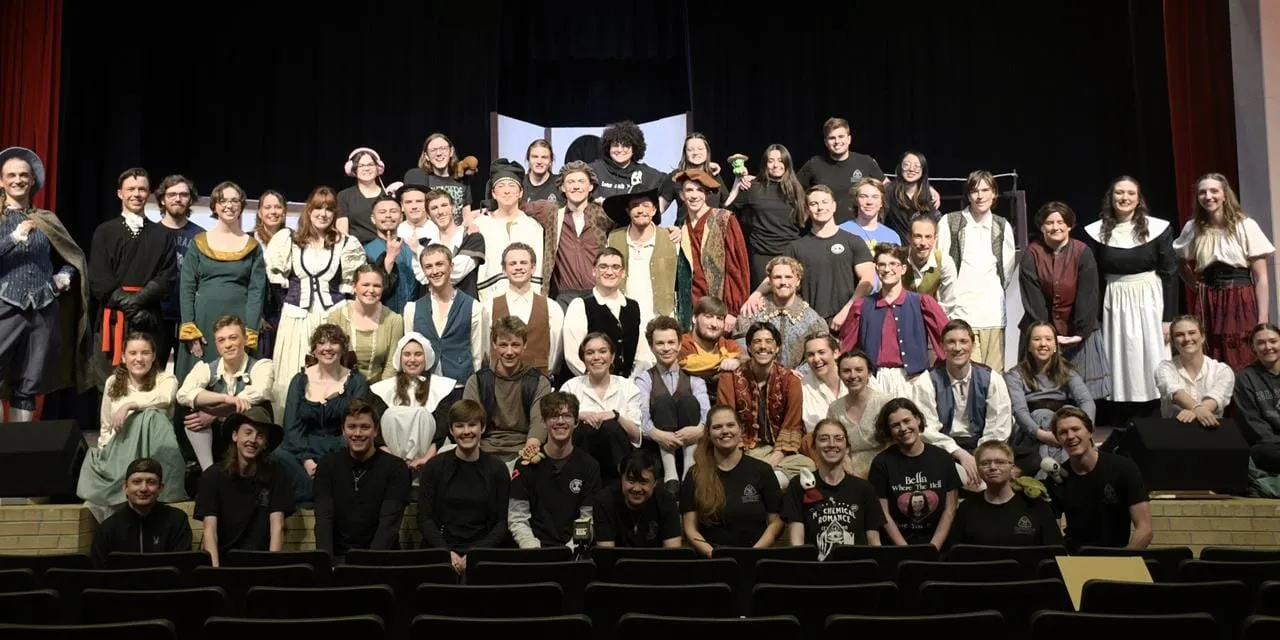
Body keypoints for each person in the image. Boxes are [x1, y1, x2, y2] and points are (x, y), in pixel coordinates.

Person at [0, 146, 90, 420]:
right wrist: (13, 238)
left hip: (43, 309)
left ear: (32, 180)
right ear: (1, 181)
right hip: (4, 307)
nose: (18, 180)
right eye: (11, 175)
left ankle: (18, 446)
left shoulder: (45, 219)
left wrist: (65, 276)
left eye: (23, 175)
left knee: (29, 383)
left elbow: (72, 257)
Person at [77, 332, 187, 523]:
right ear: (123, 357)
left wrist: (130, 405)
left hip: (155, 451)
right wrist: (105, 450)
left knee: (149, 416)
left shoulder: (166, 379)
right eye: (133, 353)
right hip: (119, 449)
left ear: (153, 356)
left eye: (145, 353)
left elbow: (164, 399)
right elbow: (106, 425)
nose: (139, 358)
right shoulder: (113, 383)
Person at [88, 168, 178, 389]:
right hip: (112, 319)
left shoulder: (163, 234)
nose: (136, 194)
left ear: (149, 193)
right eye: (131, 189)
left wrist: (137, 303)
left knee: (148, 385)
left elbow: (167, 277)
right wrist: (128, 306)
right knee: (109, 386)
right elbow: (98, 278)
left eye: (142, 189)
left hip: (148, 319)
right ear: (120, 193)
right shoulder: (104, 231)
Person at [417, 400, 511, 575]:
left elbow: (501, 523)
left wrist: (476, 554)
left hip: (484, 554)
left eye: (472, 425)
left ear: (482, 428)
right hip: (441, 552)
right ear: (451, 430)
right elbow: (425, 519)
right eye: (459, 426)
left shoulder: (497, 469)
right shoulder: (434, 467)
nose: (466, 431)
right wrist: (446, 553)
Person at [313, 400, 412, 560]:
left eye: (365, 427)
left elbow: (389, 524)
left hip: (382, 559)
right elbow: (323, 519)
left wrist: (367, 565)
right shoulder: (327, 465)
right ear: (343, 430)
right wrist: (326, 564)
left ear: (375, 430)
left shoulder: (396, 468)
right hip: (338, 558)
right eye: (352, 427)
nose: (358, 433)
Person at [175, 314, 276, 470]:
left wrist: (215, 413)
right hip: (216, 438)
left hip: (247, 439)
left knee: (259, 406)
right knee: (186, 407)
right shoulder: (206, 368)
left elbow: (259, 392)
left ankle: (249, 468)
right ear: (216, 344)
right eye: (221, 340)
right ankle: (207, 470)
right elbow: (183, 395)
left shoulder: (262, 366)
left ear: (245, 339)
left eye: (233, 338)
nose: (227, 345)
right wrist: (225, 398)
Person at [680, 405, 784, 557]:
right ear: (708, 433)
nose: (725, 431)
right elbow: (690, 529)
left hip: (755, 559)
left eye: (730, 425)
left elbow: (776, 522)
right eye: (717, 427)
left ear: (740, 429)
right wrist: (713, 555)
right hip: (711, 561)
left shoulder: (762, 471)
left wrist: (752, 554)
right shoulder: (694, 475)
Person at [193, 414, 293, 567]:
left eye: (260, 435)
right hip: (224, 563)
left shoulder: (276, 473)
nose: (253, 440)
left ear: (265, 443)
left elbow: (277, 525)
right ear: (235, 436)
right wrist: (215, 572)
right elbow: (209, 530)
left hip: (261, 564)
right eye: (248, 432)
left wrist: (272, 569)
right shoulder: (212, 476)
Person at [1049, 406, 1152, 550]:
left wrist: (1125, 559)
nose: (1070, 436)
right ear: (1057, 439)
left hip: (1118, 556)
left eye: (1075, 429)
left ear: (1090, 431)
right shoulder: (1056, 478)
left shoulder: (1123, 468)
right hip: (1076, 558)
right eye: (1063, 432)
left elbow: (1145, 530)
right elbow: (1052, 535)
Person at [508, 392, 602, 550]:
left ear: (576, 422)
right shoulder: (524, 465)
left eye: (567, 416)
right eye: (553, 416)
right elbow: (517, 518)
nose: (560, 421)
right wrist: (532, 549)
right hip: (533, 551)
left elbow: (588, 519)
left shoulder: (590, 466)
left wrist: (569, 550)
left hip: (573, 553)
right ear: (544, 422)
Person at [783, 419, 883, 560]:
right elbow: (796, 541)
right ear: (813, 448)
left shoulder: (864, 488)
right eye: (824, 439)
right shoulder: (798, 485)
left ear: (847, 448)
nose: (831, 444)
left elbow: (874, 541)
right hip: (814, 569)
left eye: (838, 439)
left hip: (856, 568)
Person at [869, 398, 961, 549]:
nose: (903, 428)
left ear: (917, 420)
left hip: (938, 544)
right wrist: (906, 550)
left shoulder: (943, 458)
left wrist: (933, 548)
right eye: (895, 425)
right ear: (889, 430)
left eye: (907, 421)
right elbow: (883, 513)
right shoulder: (881, 463)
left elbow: (950, 510)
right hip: (898, 547)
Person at [947, 441, 1063, 547]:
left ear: (1012, 467)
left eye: (1000, 462)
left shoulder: (1036, 505)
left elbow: (1056, 550)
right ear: (978, 469)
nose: (993, 467)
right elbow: (954, 552)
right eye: (985, 463)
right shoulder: (967, 508)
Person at [89, 457, 193, 568]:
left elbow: (182, 567)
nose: (143, 488)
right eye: (136, 482)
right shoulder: (108, 528)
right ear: (125, 488)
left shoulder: (177, 520)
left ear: (160, 488)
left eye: (151, 482)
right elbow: (99, 571)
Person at [593, 449, 683, 548]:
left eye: (643, 482)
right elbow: (606, 554)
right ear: (621, 478)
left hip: (657, 558)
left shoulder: (667, 500)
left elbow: (672, 552)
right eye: (631, 481)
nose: (636, 488)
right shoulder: (604, 501)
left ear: (655, 483)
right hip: (617, 558)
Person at [1232, 323, 1280, 474]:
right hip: (1271, 445)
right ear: (1253, 347)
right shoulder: (1245, 378)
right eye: (1261, 343)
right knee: (1262, 452)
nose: (1268, 347)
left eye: (1273, 341)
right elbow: (1251, 421)